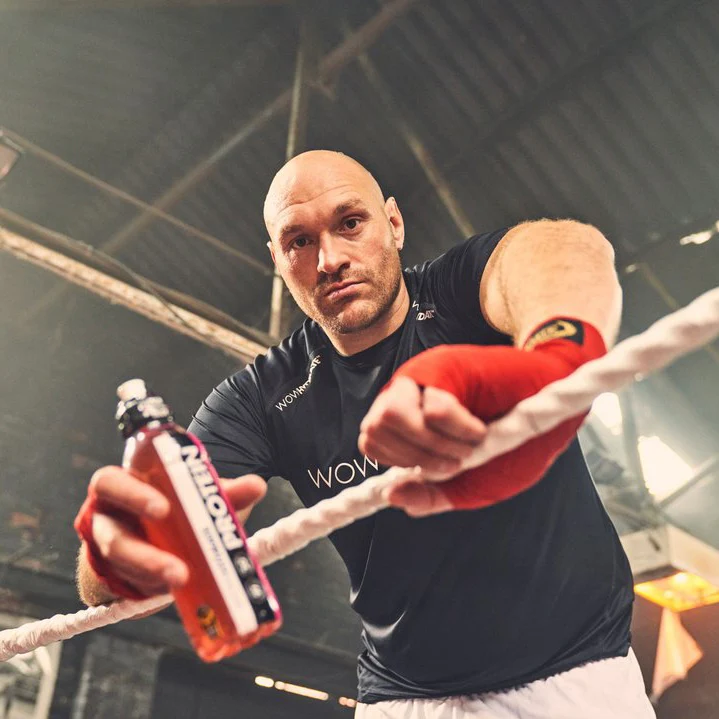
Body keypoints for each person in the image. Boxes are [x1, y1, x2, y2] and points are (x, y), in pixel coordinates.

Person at [75, 150, 656, 718]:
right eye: (299, 241)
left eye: (350, 223)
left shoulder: (458, 292)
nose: (329, 259)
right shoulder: (259, 397)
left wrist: (557, 359)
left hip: (577, 674)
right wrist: (116, 556)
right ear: (278, 259)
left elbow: (562, 247)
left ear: (394, 224)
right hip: (401, 699)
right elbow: (125, 569)